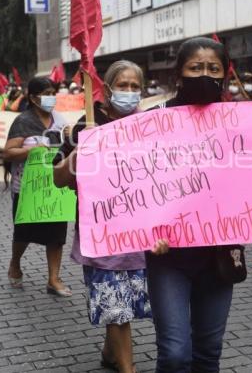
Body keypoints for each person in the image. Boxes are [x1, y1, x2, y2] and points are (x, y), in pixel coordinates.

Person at [146, 37, 252, 373]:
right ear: (179, 74)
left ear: (225, 74)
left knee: (208, 352)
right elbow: (138, 187)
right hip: (168, 256)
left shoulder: (242, 123)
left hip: (220, 253)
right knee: (174, 354)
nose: (204, 74)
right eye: (195, 67)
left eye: (213, 68)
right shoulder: (152, 122)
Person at [53, 60, 151, 373]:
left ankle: (111, 355)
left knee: (128, 305)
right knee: (116, 307)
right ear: (107, 90)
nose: (130, 92)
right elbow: (58, 178)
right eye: (123, 86)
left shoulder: (149, 125)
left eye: (135, 87)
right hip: (102, 236)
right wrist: (82, 150)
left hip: (139, 236)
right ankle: (127, 368)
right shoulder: (86, 125)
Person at [3, 77, 72, 296]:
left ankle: (53, 279)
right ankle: (15, 263)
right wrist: (30, 151)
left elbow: (68, 150)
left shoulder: (60, 120)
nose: (52, 97)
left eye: (54, 92)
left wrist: (70, 137)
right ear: (33, 98)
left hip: (55, 188)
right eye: (46, 93)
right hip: (26, 189)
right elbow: (8, 152)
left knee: (56, 235)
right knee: (23, 233)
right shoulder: (22, 121)